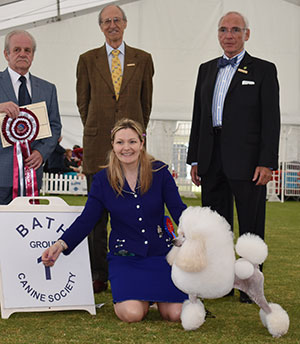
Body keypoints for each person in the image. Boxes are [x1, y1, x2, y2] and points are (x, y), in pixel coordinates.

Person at [42, 118, 187, 323]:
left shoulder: (159, 172)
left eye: (132, 142)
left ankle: (151, 297)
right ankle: (139, 298)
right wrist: (60, 244)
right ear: (113, 145)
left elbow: (179, 210)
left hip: (160, 255)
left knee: (176, 314)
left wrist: (202, 231)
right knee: (132, 314)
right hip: (125, 257)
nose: (126, 148)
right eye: (120, 142)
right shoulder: (102, 179)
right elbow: (87, 219)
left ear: (141, 143)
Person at [186, 12, 280, 303]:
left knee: (251, 225)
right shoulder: (206, 69)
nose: (229, 35)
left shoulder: (264, 70)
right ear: (218, 34)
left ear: (246, 35)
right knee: (216, 228)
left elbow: (271, 120)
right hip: (211, 160)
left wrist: (267, 162)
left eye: (235, 30)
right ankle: (220, 283)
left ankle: (251, 286)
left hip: (249, 162)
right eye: (223, 30)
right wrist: (194, 158)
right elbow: (198, 116)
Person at [76, 4, 154, 293]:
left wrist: (130, 137)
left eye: (116, 20)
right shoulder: (86, 60)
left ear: (125, 23)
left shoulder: (143, 59)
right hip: (97, 148)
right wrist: (103, 133)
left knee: (134, 212)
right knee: (96, 217)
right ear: (100, 26)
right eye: (106, 21)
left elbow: (145, 105)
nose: (112, 25)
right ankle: (98, 274)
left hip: (131, 151)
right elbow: (83, 103)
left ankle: (132, 267)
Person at [0, 30, 61, 204]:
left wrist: (41, 153)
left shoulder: (48, 89)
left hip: (31, 175)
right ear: (6, 54)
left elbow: (55, 126)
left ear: (33, 55)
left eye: (27, 50)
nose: (22, 54)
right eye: (17, 49)